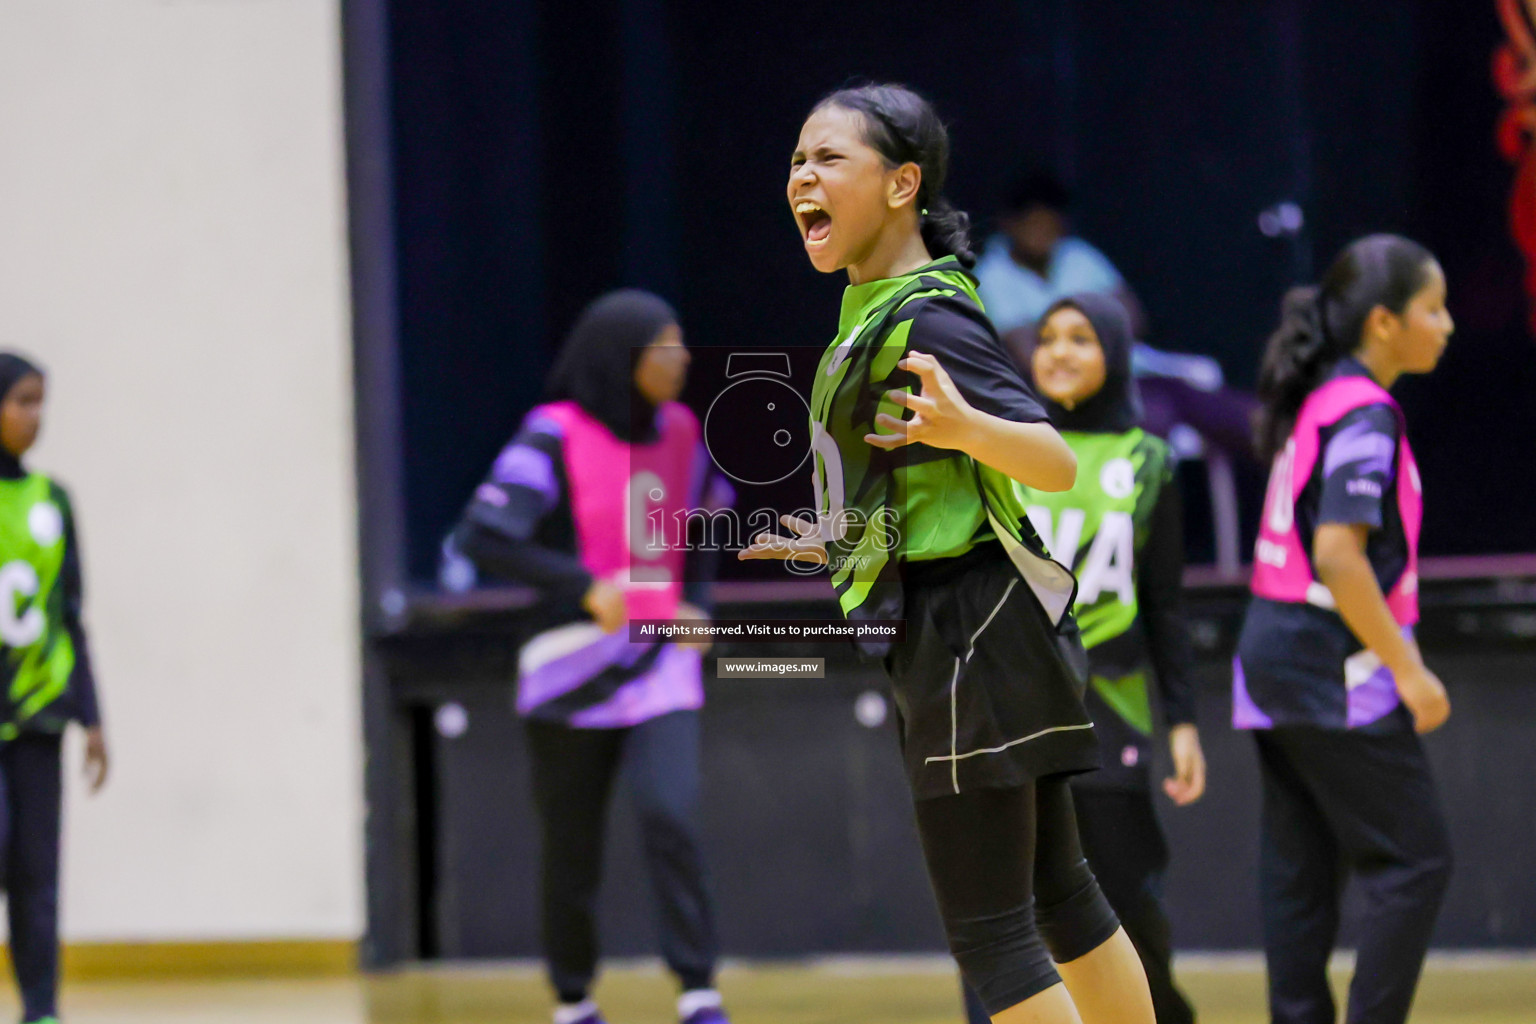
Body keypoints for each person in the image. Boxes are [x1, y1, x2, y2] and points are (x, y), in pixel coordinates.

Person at [744, 83, 1154, 1024]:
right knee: (1060, 895)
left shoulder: (930, 318)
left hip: (973, 628)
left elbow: (1050, 458)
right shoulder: (874, 307)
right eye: (798, 161)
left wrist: (971, 426)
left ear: (903, 185)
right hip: (979, 622)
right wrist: (834, 534)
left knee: (994, 934)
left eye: (828, 158)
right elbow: (922, 488)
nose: (803, 176)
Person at [452, 292, 732, 1024]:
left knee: (671, 812)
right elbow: (485, 534)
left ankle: (698, 988)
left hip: (659, 659)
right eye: (662, 347)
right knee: (571, 848)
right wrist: (580, 586)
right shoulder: (554, 434)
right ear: (621, 359)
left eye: (681, 344)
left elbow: (705, 520)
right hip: (571, 666)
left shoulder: (682, 432)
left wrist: (695, 598)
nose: (680, 360)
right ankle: (573, 998)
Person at [1234, 235, 1455, 1024]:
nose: (1449, 325)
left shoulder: (1321, 397)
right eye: (1435, 309)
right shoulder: (1364, 411)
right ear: (1386, 323)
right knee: (1416, 860)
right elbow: (1338, 555)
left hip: (1267, 654)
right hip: (1321, 661)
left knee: (1299, 868)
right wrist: (1410, 671)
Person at [966, 293, 1204, 1024]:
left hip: (1111, 713)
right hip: (1009, 707)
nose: (1061, 351)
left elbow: (1165, 605)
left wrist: (1184, 723)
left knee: (1125, 895)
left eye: (1081, 338)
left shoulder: (1149, 461)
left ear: (1114, 355)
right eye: (1048, 338)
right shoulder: (1006, 450)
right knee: (998, 904)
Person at [0, 353, 110, 1024]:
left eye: (41, 402)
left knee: (37, 877)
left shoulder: (53, 501)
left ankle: (42, 1009)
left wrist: (92, 718)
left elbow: (71, 617)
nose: (35, 417)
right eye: (21, 401)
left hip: (41, 716)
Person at [974, 169, 1145, 348]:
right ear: (1009, 224)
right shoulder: (990, 275)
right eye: (1033, 225)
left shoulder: (1078, 254)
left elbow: (1133, 319)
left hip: (1128, 365)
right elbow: (1024, 351)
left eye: (1049, 226)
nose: (1041, 235)